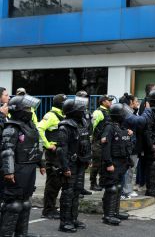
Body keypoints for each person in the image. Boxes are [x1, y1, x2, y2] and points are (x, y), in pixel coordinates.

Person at [0, 95, 45, 236]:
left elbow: (35, 147)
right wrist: (9, 171)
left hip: (29, 169)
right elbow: (7, 151)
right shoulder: (11, 128)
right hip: (17, 170)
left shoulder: (30, 126)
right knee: (13, 204)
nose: (29, 111)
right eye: (26, 108)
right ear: (18, 110)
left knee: (26, 203)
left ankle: (21, 233)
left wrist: (41, 163)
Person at [56, 98, 89, 232]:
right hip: (70, 164)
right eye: (80, 109)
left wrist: (88, 158)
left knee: (76, 192)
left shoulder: (82, 123)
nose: (83, 111)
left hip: (81, 163)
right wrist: (65, 167)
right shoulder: (65, 127)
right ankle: (64, 222)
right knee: (68, 193)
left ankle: (73, 219)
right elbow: (61, 149)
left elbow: (87, 142)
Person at [100, 103, 133, 225]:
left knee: (118, 187)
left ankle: (115, 212)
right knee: (112, 188)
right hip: (113, 162)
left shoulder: (122, 128)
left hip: (122, 163)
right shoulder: (109, 128)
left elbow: (126, 144)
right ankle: (107, 216)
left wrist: (129, 135)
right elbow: (105, 147)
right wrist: (108, 163)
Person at [37, 93, 66, 219]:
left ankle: (52, 207)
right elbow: (39, 128)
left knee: (58, 182)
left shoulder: (62, 115)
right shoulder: (50, 115)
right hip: (53, 154)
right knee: (53, 182)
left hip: (60, 153)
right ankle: (48, 210)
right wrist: (47, 144)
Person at [90, 95, 114, 191]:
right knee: (96, 163)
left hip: (105, 142)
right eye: (109, 101)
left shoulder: (108, 112)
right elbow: (92, 126)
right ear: (103, 102)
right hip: (98, 142)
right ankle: (93, 183)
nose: (111, 102)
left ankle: (102, 182)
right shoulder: (98, 112)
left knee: (104, 163)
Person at [75, 90, 93, 197]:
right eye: (83, 97)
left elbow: (89, 126)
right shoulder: (74, 110)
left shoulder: (87, 111)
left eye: (86, 98)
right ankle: (76, 190)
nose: (86, 100)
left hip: (86, 140)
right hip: (78, 142)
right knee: (77, 168)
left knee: (83, 167)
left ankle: (81, 188)